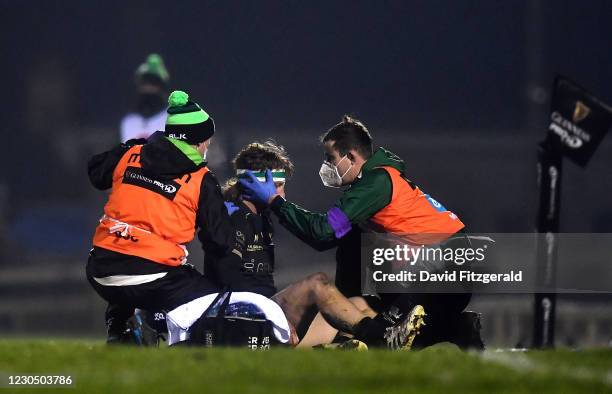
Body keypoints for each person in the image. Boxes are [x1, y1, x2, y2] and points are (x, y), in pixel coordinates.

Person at [239, 116, 484, 350]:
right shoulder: (376, 185)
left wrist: (275, 202)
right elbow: (330, 240)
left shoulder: (373, 184)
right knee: (383, 319)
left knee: (384, 343)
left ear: (351, 156)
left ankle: (454, 329)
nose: (327, 166)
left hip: (441, 270)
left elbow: (322, 231)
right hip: (447, 271)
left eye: (330, 158)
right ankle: (457, 328)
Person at [209, 141, 426, 350]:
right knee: (317, 284)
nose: (282, 193)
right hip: (246, 322)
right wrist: (268, 316)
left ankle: (349, 349)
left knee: (357, 304)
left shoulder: (260, 218)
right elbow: (227, 276)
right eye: (278, 185)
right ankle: (381, 340)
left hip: (267, 318)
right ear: (256, 183)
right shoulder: (234, 215)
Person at [87, 90, 240, 344]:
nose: (208, 147)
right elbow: (221, 242)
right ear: (195, 141)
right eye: (206, 141)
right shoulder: (202, 179)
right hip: (150, 275)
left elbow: (95, 172)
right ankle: (155, 329)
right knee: (208, 300)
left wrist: (128, 148)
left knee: (132, 268)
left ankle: (119, 326)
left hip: (100, 270)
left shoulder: (132, 152)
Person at [119, 54, 170, 143]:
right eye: (145, 83)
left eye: (153, 83)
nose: (148, 87)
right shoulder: (129, 123)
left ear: (161, 88)